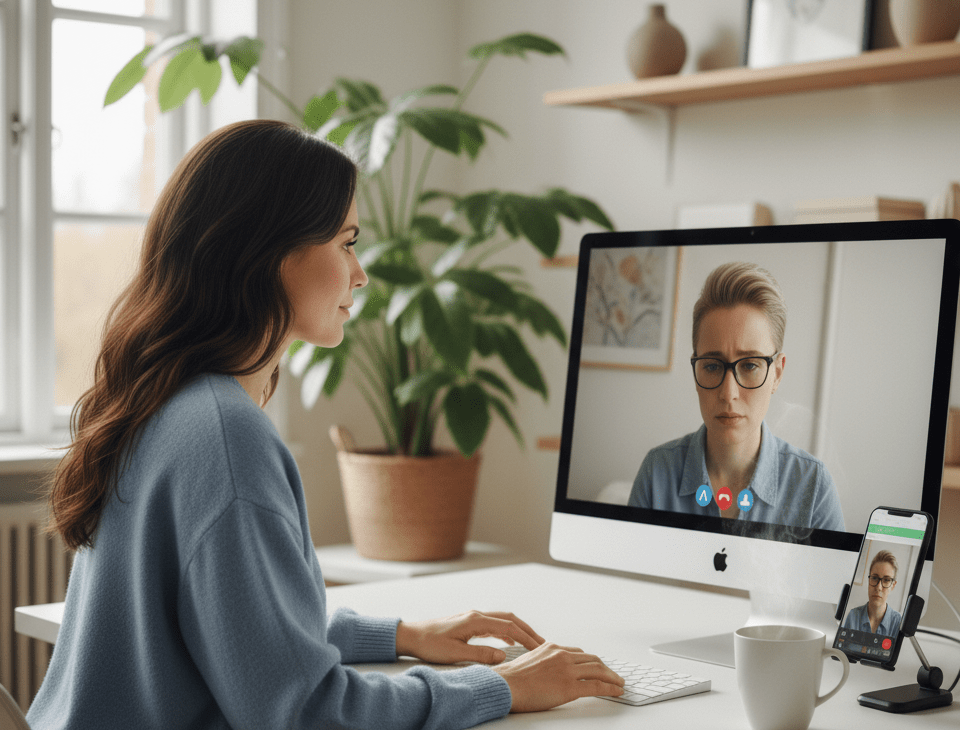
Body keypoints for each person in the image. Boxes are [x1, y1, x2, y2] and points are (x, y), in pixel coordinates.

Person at [28, 120, 624, 729]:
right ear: (269, 253)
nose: (360, 275)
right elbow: (308, 714)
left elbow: (242, 627)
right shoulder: (226, 437)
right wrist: (498, 686)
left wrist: (403, 635)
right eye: (346, 243)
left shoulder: (167, 400)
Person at [628, 261, 844, 531]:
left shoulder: (813, 489)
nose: (728, 394)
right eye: (712, 366)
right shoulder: (656, 473)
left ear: (776, 373)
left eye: (750, 365)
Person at [843, 550, 902, 636]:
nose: (878, 587)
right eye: (874, 578)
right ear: (869, 579)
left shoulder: (898, 622)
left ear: (893, 585)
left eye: (886, 580)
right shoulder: (853, 616)